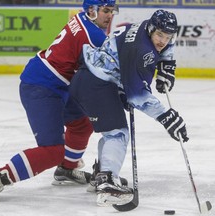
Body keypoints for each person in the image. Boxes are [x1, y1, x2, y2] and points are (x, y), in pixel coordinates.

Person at [0, 0, 119, 202]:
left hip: (59, 83)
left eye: (112, 11)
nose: (110, 15)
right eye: (106, 11)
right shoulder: (93, 36)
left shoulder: (82, 18)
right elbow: (99, 71)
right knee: (53, 150)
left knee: (82, 125)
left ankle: (66, 170)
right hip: (42, 86)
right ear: (92, 11)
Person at [69, 9, 189, 206]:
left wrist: (167, 64)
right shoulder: (142, 50)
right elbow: (136, 95)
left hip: (91, 80)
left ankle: (101, 174)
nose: (163, 41)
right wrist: (166, 116)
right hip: (95, 85)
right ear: (152, 29)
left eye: (167, 37)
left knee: (111, 132)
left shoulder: (147, 27)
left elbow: (165, 42)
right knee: (117, 133)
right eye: (160, 35)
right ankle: (106, 181)